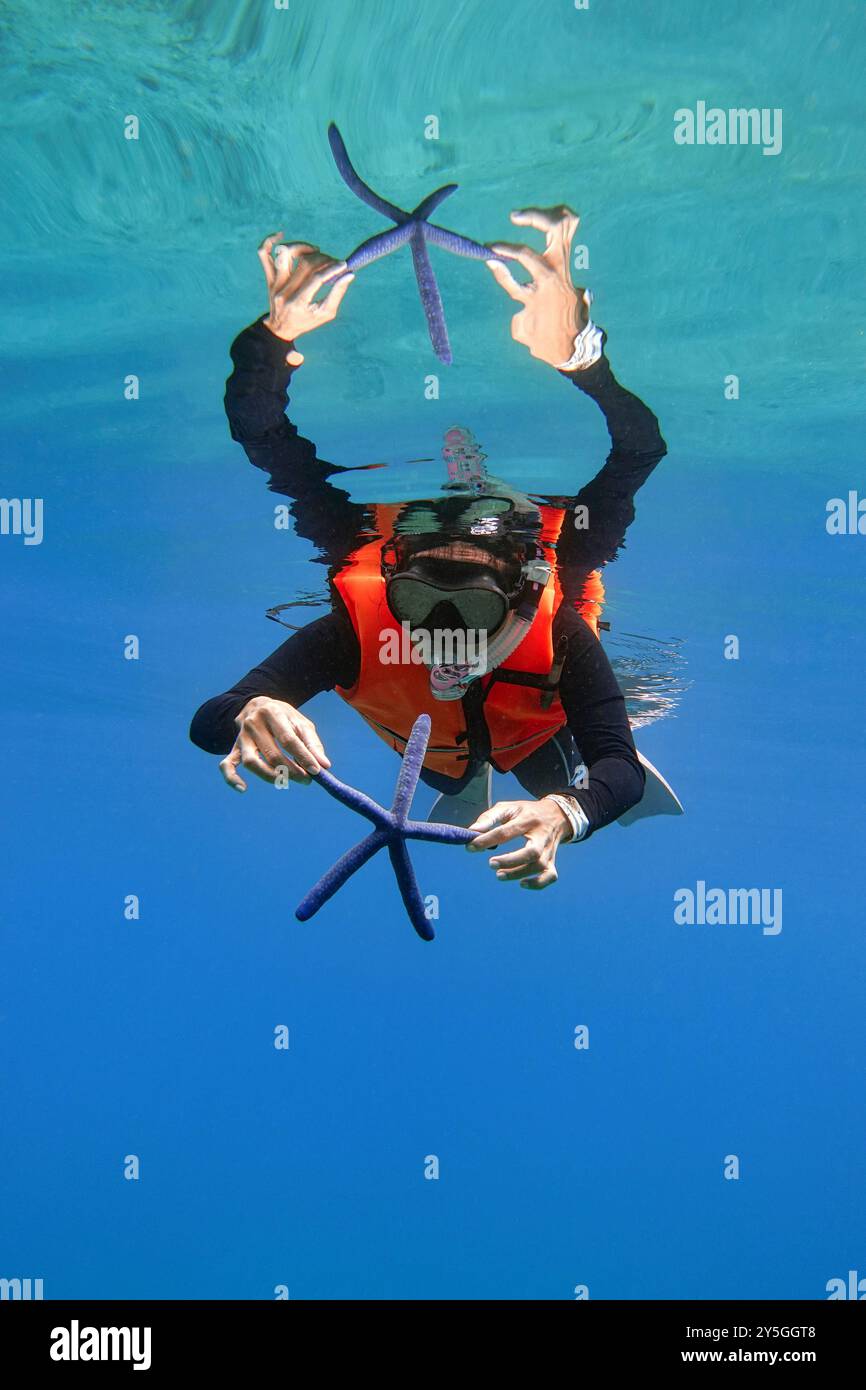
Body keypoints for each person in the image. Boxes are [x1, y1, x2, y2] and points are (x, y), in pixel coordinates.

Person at [190, 207, 674, 890]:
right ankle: (475, 778)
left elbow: (618, 768)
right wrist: (253, 708)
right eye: (417, 602)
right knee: (472, 768)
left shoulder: (558, 633)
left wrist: (567, 813)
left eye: (470, 607)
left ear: (524, 588)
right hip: (437, 751)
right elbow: (209, 720)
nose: (439, 634)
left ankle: (549, 772)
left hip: (532, 728)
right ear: (391, 578)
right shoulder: (356, 633)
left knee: (564, 773)